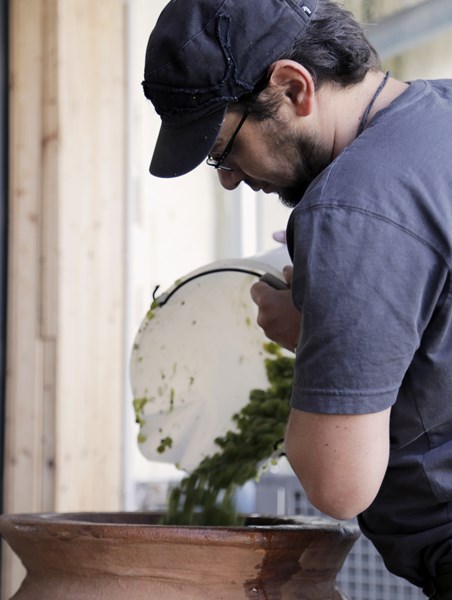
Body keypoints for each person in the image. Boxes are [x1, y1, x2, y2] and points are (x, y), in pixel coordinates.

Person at [141, 0, 452, 596]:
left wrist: (310, 328)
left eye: (221, 147)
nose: (229, 177)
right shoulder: (436, 115)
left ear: (291, 87)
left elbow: (339, 484)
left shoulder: (351, 205)